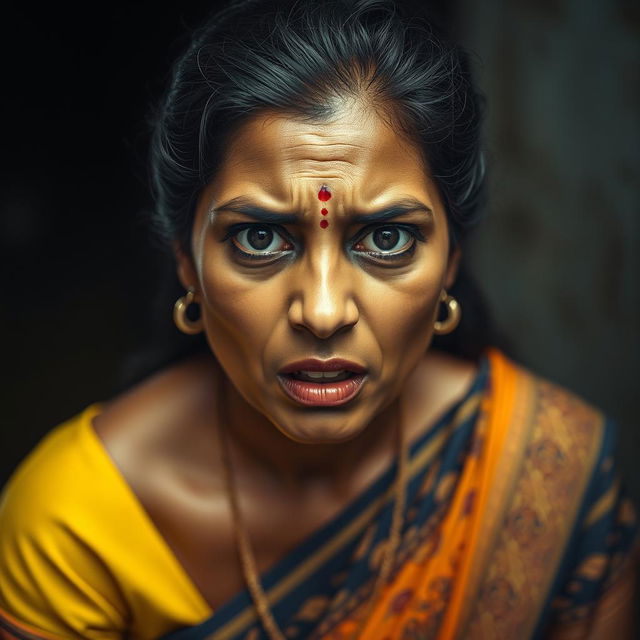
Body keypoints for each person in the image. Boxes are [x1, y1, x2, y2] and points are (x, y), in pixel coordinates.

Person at [0, 0, 637, 638]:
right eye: (258, 239)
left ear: (451, 262)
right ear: (187, 264)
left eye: (387, 240)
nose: (325, 312)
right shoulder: (73, 524)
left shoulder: (553, 477)